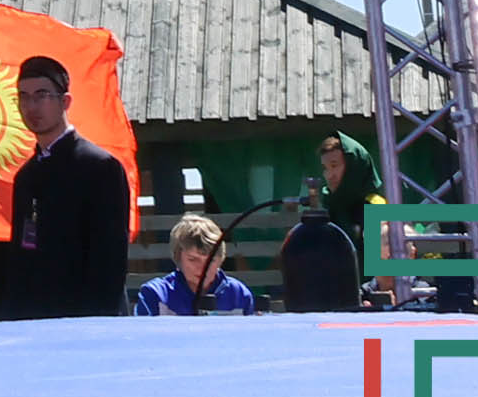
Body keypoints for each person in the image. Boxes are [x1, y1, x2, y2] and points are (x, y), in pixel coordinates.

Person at [0, 57, 133, 320]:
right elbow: (23, 254)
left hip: (90, 317)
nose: (31, 106)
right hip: (37, 318)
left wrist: (97, 321)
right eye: (23, 97)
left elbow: (110, 258)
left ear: (65, 101)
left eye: (41, 95)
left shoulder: (100, 167)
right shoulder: (26, 176)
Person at [279, 132, 374, 314]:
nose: (329, 175)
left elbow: (384, 279)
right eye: (325, 168)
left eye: (334, 166)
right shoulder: (327, 207)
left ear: (354, 167)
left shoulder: (376, 206)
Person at [134, 213, 260, 315]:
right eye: (193, 259)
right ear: (178, 258)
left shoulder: (239, 294)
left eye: (210, 261)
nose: (202, 268)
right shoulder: (155, 294)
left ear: (220, 260)